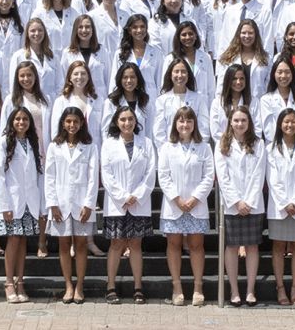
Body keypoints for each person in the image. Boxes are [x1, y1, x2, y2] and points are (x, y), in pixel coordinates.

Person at [157, 107, 215, 306]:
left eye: (189, 121)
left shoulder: (204, 147)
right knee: (173, 244)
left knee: (196, 245)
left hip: (196, 206)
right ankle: (177, 287)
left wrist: (195, 198)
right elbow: (163, 176)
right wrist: (177, 199)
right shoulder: (167, 147)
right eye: (181, 121)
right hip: (174, 206)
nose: (185, 125)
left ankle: (198, 288)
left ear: (194, 124)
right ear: (175, 124)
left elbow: (209, 176)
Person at [98, 105, 155, 304]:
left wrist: (136, 195)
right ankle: (110, 286)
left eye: (130, 119)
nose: (127, 123)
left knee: (136, 244)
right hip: (117, 203)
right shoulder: (108, 144)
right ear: (116, 122)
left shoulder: (146, 143)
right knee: (116, 244)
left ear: (135, 121)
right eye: (123, 119)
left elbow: (150, 173)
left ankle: (138, 287)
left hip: (139, 202)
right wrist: (123, 196)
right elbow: (107, 175)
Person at [211, 105, 267, 307]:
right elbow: (222, 177)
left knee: (252, 246)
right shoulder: (222, 144)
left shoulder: (259, 144)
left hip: (253, 204)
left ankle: (250, 291)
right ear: (230, 122)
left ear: (249, 122)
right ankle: (234, 291)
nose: (240, 124)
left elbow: (259, 174)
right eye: (236, 120)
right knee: (232, 246)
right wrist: (236, 201)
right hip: (232, 204)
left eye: (243, 120)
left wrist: (249, 201)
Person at [45, 107, 100, 305]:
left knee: (82, 244)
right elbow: (49, 176)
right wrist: (52, 203)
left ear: (82, 123)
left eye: (75, 121)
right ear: (62, 123)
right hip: (60, 202)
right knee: (63, 244)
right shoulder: (55, 146)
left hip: (81, 202)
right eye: (68, 121)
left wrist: (88, 204)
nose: (72, 125)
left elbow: (93, 178)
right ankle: (68, 285)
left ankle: (80, 286)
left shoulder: (90, 146)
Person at [0, 106, 45, 304]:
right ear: (11, 122)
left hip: (29, 201)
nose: (21, 122)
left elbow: (37, 175)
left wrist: (41, 205)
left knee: (23, 241)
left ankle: (20, 282)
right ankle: (8, 283)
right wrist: (4, 204)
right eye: (17, 119)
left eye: (25, 119)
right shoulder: (3, 143)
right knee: (13, 241)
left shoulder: (33, 142)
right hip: (12, 201)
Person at [262, 108, 295, 306]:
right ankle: (280, 287)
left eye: (293, 122)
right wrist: (285, 203)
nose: (289, 125)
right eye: (286, 122)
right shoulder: (270, 149)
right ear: (279, 125)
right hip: (279, 206)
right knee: (278, 246)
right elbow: (272, 179)